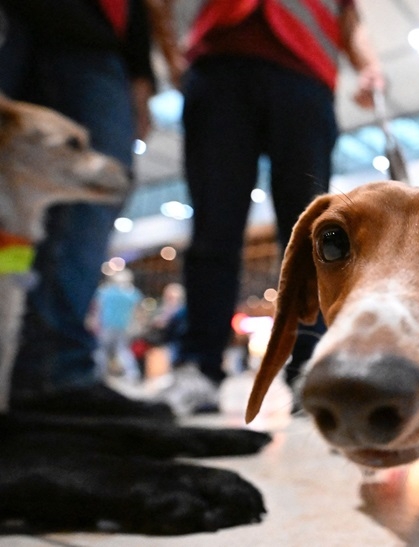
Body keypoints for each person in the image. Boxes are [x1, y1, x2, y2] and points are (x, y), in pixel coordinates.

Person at [157, 0, 385, 415]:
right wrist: (172, 53)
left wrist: (370, 66)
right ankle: (198, 368)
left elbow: (350, 20)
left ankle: (309, 370)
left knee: (311, 239)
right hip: (219, 67)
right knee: (213, 228)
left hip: (306, 79)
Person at [0, 0, 172, 417]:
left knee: (43, 221)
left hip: (83, 26)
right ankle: (49, 372)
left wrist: (141, 70)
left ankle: (46, 368)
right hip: (54, 29)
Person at [94, 269, 144, 381]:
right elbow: (138, 312)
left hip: (106, 325)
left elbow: (97, 308)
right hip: (124, 327)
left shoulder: (104, 292)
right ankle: (133, 374)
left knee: (101, 351)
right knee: (123, 350)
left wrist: (95, 322)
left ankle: (98, 374)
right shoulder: (133, 294)